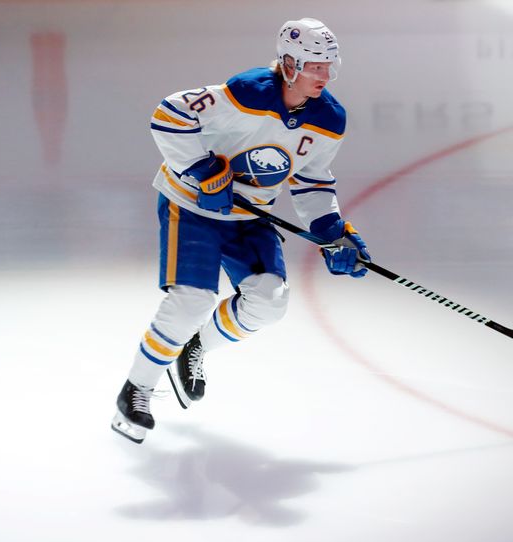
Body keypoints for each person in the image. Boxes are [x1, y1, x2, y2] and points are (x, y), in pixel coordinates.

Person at [111, 18, 371, 443]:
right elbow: (169, 114)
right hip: (191, 206)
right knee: (191, 300)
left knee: (269, 301)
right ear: (289, 63)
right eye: (315, 66)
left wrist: (332, 232)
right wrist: (203, 170)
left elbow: (311, 182)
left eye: (328, 66)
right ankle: (136, 390)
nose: (324, 75)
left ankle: (195, 347)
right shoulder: (245, 94)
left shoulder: (329, 118)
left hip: (250, 215)